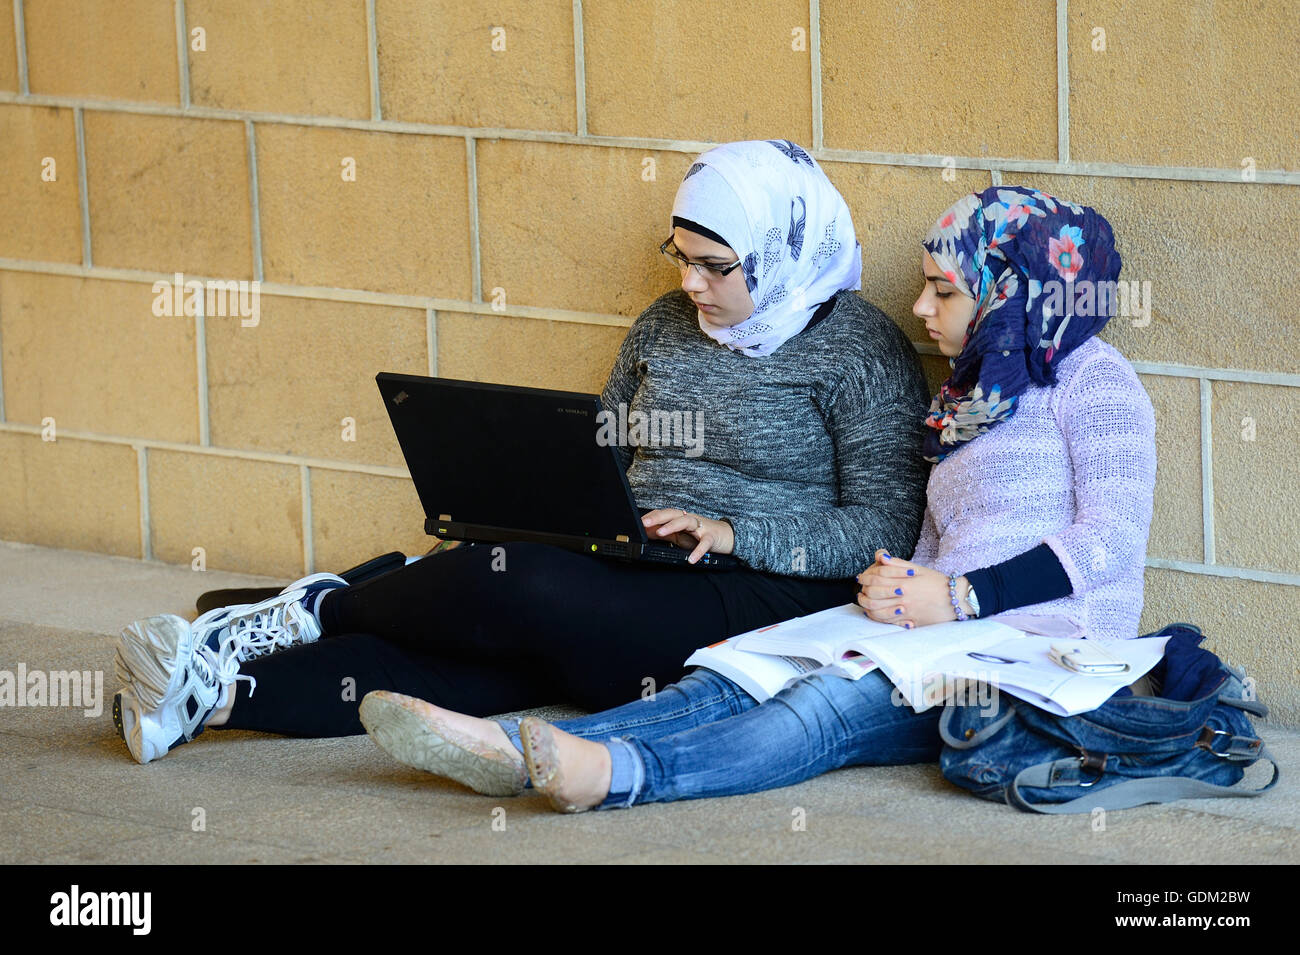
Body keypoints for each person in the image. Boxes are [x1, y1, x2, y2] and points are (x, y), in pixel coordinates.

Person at [111, 139, 932, 764]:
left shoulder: (860, 351)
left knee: (525, 586)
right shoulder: (665, 324)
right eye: (679, 258)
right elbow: (602, 445)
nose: (691, 285)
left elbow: (885, 525)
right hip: (621, 557)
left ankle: (316, 607)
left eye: (716, 267)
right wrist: (559, 507)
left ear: (786, 251)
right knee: (481, 655)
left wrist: (730, 531)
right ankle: (209, 692)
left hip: (757, 590)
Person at [357, 185, 1159, 812]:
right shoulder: (972, 397)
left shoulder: (1097, 383)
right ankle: (515, 747)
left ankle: (618, 771)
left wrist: (958, 593)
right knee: (735, 668)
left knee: (821, 709)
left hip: (1039, 652)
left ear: (1011, 294)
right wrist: (899, 580)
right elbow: (943, 540)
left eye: (943, 292)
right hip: (939, 628)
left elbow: (1108, 541)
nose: (920, 309)